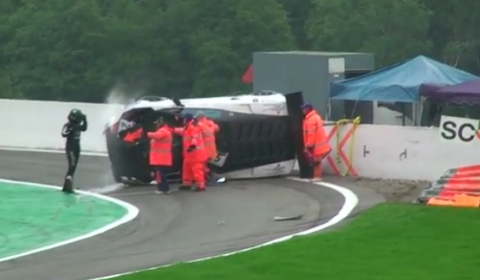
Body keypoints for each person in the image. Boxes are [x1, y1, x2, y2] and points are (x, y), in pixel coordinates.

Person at [174, 113, 207, 191]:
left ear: (187, 119)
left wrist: (193, 145)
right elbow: (181, 131)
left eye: (184, 118)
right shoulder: (187, 127)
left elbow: (195, 137)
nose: (183, 120)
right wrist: (173, 129)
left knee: (197, 170)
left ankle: (201, 185)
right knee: (186, 169)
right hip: (189, 154)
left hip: (196, 155)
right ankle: (187, 184)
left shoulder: (194, 128)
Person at [301, 103, 331, 182]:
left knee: (316, 161)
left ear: (307, 109)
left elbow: (311, 133)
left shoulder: (310, 120)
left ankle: (317, 176)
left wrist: (308, 145)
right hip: (320, 143)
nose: (302, 111)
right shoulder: (316, 117)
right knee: (317, 160)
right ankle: (317, 176)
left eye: (304, 109)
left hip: (316, 144)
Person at [61, 109, 88, 193]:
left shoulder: (78, 126)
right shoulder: (68, 125)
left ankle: (69, 183)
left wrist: (85, 120)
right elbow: (64, 133)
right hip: (70, 148)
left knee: (74, 166)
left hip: (77, 147)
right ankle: (68, 182)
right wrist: (71, 130)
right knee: (72, 165)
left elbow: (84, 128)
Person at [146, 117, 173, 194]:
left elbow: (156, 136)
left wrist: (148, 133)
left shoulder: (163, 131)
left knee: (161, 175)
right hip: (160, 158)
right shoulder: (165, 131)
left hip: (161, 158)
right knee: (160, 175)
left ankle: (163, 189)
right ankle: (163, 188)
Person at [195, 111, 220, 182]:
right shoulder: (211, 123)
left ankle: (210, 175)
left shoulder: (199, 124)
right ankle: (209, 177)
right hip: (212, 148)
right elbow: (217, 128)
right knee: (206, 164)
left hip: (204, 148)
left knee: (201, 165)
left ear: (199, 117)